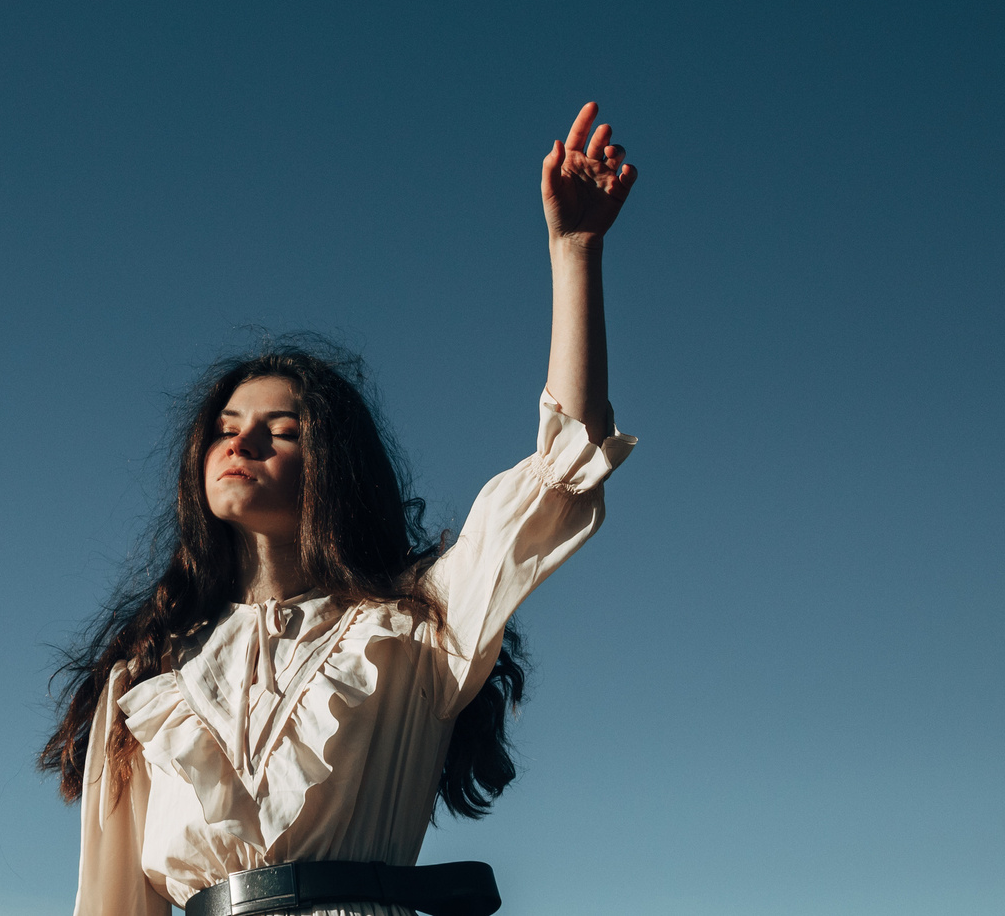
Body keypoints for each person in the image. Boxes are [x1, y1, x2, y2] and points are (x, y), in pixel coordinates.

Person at [41, 104, 642, 916]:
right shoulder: (150, 671)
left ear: (333, 465)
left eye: (277, 431)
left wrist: (576, 253)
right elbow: (114, 906)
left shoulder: (417, 627)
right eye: (224, 429)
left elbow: (562, 473)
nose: (240, 443)